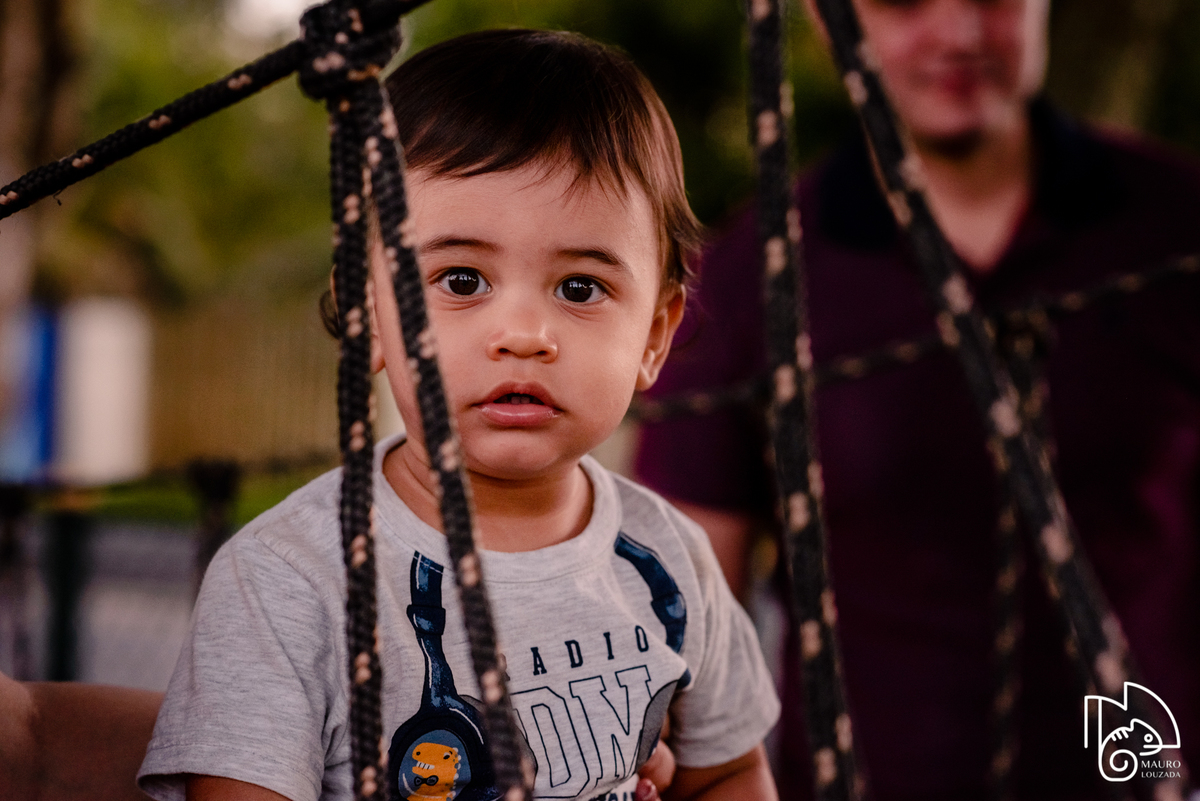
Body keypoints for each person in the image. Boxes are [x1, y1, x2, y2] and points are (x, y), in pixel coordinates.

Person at [136, 30, 780, 801]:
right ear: (369, 315)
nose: (523, 335)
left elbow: (728, 772)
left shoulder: (669, 558)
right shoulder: (288, 580)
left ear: (653, 336)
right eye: (462, 278)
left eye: (579, 288)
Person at [635, 0, 1200, 799]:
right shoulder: (748, 280)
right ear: (827, 21)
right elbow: (680, 616)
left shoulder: (1178, 234)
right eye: (904, 0)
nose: (959, 32)